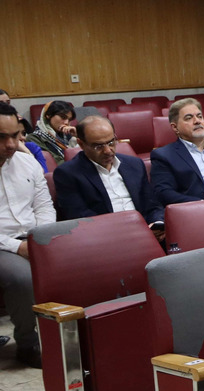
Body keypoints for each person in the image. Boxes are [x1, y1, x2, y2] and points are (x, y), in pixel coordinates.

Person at [0, 102, 56, 368]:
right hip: (3, 244)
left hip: (33, 237)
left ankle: (73, 335)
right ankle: (27, 343)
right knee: (22, 278)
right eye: (2, 137)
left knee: (81, 260)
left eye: (16, 135)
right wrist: (18, 247)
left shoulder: (27, 163)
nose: (11, 144)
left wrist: (41, 238)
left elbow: (43, 206)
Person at [54, 116, 164, 235]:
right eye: (98, 146)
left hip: (145, 231)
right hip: (106, 235)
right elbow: (79, 217)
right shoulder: (67, 173)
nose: (107, 151)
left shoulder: (134, 164)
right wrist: (124, 231)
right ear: (81, 144)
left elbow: (152, 205)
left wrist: (157, 223)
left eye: (111, 142)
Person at [25, 100, 77, 165]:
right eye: (63, 117)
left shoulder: (69, 135)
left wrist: (79, 136)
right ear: (48, 115)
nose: (66, 123)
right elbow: (52, 163)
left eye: (69, 120)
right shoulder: (34, 138)